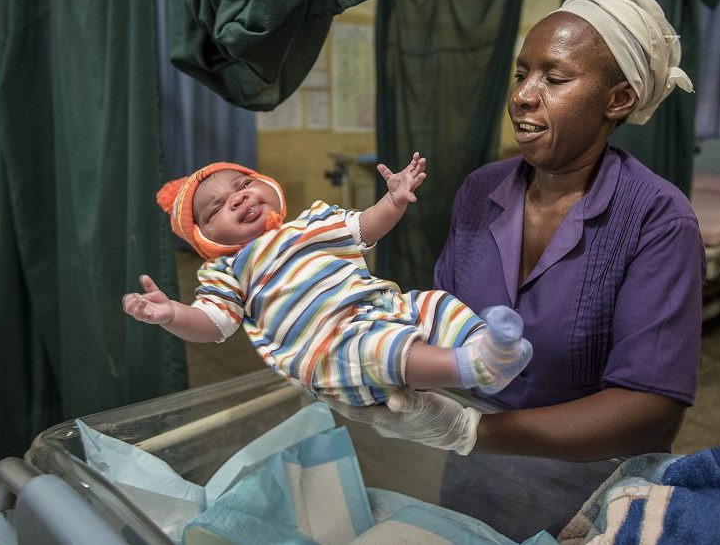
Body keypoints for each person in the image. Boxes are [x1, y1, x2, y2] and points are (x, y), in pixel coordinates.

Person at [327, 0, 706, 537]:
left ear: (617, 100)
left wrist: (472, 431)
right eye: (521, 73)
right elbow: (438, 316)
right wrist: (359, 347)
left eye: (554, 79)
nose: (524, 96)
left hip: (589, 489)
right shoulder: (482, 192)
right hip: (473, 475)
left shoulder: (656, 220)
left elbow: (650, 407)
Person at [122, 153, 532, 407]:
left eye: (244, 184)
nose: (240, 198)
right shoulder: (228, 271)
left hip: (378, 306)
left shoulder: (312, 223)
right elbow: (212, 326)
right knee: (382, 347)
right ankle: (468, 366)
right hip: (329, 348)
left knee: (434, 303)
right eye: (218, 208)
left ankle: (489, 349)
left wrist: (392, 201)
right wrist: (172, 314)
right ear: (205, 239)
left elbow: (366, 229)